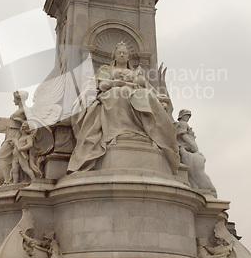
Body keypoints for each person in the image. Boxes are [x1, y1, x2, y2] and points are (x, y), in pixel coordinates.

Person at [68, 42, 180, 173]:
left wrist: (156, 95)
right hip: (113, 92)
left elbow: (146, 86)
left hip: (135, 93)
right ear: (114, 56)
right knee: (119, 93)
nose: (122, 54)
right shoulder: (106, 70)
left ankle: (143, 133)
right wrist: (115, 82)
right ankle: (118, 133)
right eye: (119, 52)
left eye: (125, 53)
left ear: (128, 57)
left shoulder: (135, 73)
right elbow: (101, 85)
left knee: (145, 96)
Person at [175, 109, 217, 196]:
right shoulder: (183, 124)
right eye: (187, 115)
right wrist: (193, 145)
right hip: (185, 148)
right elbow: (183, 134)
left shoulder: (183, 124)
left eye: (189, 116)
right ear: (182, 116)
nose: (188, 118)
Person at [0, 90, 28, 185]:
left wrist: (20, 121)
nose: (13, 101)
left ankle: (8, 180)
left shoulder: (25, 110)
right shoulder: (21, 110)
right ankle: (8, 179)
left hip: (15, 137)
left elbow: (31, 123)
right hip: (10, 136)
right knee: (3, 159)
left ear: (19, 98)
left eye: (14, 98)